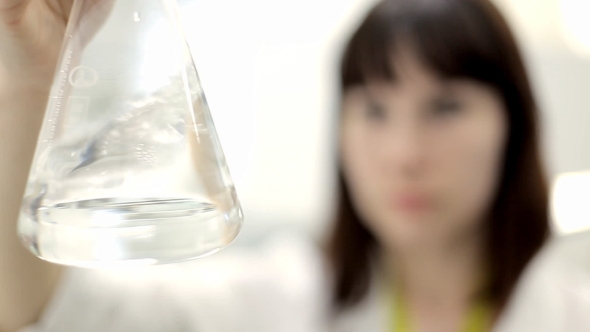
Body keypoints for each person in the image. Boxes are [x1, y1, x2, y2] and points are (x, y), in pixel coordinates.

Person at [0, 0, 567, 331]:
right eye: (373, 108)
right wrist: (30, 83)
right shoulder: (276, 300)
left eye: (445, 107)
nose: (404, 153)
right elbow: (46, 312)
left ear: (515, 125)